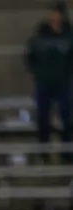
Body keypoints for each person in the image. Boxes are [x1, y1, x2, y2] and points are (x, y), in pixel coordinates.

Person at [25, 5, 73, 152]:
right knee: (42, 117)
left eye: (58, 14)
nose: (55, 17)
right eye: (53, 14)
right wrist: (37, 73)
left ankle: (67, 151)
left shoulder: (69, 36)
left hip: (63, 83)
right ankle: (43, 152)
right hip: (44, 82)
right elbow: (30, 56)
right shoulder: (40, 35)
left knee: (67, 117)